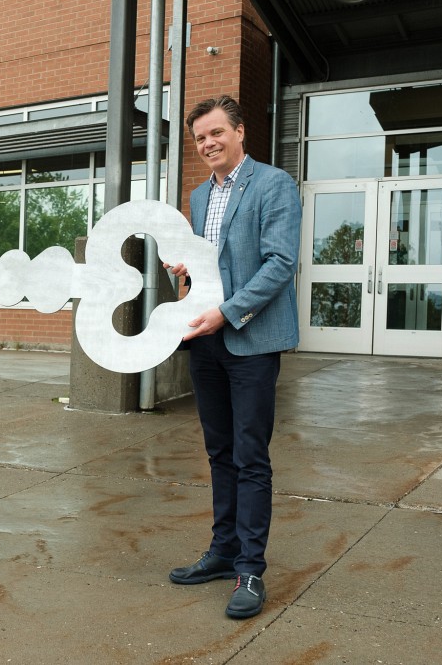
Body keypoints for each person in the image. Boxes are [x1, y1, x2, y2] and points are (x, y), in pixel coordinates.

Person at [165, 96, 300, 619]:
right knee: (219, 453)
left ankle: (250, 569)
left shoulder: (273, 184)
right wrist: (189, 273)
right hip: (206, 340)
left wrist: (227, 312)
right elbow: (213, 263)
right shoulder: (199, 196)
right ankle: (223, 551)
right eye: (200, 137)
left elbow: (279, 263)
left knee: (250, 457)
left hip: (251, 339)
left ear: (240, 132)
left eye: (217, 132)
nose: (208, 143)